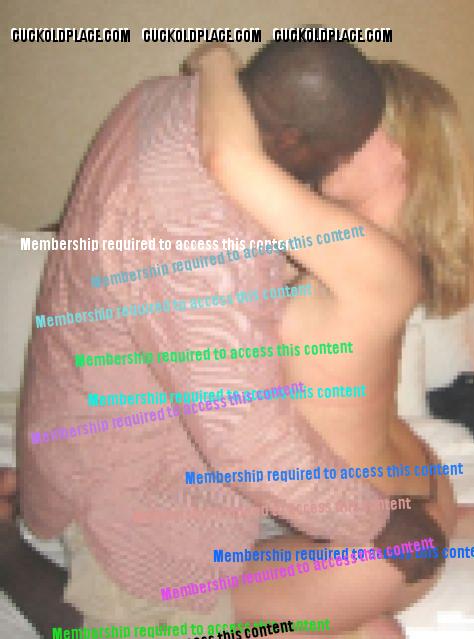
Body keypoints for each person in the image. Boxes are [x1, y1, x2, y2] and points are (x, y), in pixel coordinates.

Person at [14, 39, 398, 637]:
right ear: (291, 140)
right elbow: (243, 436)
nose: (340, 165)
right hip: (122, 490)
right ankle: (11, 560)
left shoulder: (163, 98)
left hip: (91, 415)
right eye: (338, 152)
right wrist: (375, 521)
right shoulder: (201, 233)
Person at [187, 46, 474, 638]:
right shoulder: (376, 246)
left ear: (405, 149)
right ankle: (364, 615)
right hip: (421, 487)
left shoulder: (362, 255)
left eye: (355, 128)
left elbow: (228, 157)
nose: (329, 138)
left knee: (151, 607)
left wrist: (214, 64)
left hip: (373, 545)